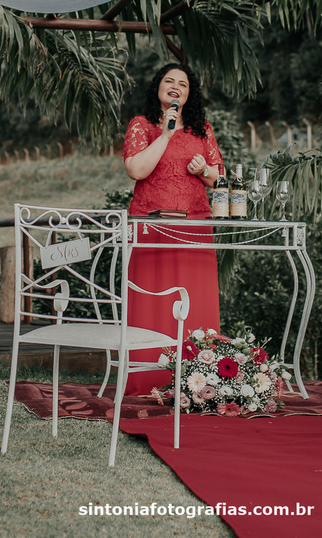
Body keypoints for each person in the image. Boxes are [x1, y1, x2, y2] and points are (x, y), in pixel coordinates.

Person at [121, 63, 222, 395]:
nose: (176, 86)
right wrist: (166, 134)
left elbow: (219, 179)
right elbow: (136, 170)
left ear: (190, 94)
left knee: (195, 301)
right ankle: (147, 377)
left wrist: (204, 170)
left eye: (183, 83)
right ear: (158, 88)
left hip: (194, 226)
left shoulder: (202, 130)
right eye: (169, 81)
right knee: (152, 300)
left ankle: (198, 379)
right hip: (151, 226)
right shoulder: (142, 125)